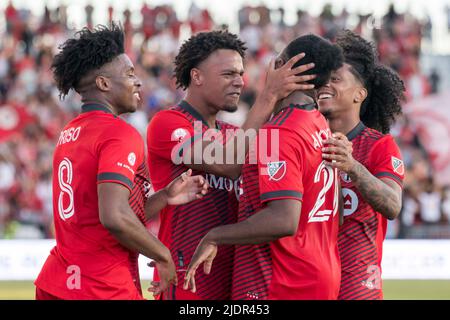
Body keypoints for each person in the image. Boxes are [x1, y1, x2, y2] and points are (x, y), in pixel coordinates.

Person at [34, 23, 209, 300]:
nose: (137, 81)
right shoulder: (118, 132)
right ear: (103, 84)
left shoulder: (69, 133)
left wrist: (163, 196)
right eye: (129, 74)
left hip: (58, 281)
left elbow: (98, 216)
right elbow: (113, 216)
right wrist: (162, 254)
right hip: (102, 286)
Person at [146, 30, 316, 300]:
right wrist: (269, 94)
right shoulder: (169, 123)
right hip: (188, 276)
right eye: (228, 74)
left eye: (241, 74)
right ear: (197, 76)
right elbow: (227, 163)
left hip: (237, 277)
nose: (239, 82)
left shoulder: (234, 133)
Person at [183, 34, 344, 300]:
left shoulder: (277, 132)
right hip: (320, 272)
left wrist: (214, 236)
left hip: (280, 282)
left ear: (281, 64)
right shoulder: (318, 122)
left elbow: (283, 219)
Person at [317, 30, 405, 300]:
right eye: (322, 79)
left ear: (359, 94)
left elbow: (392, 205)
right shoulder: (306, 141)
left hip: (356, 286)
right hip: (310, 280)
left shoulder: (379, 145)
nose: (324, 85)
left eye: (335, 79)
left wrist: (352, 166)